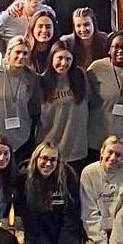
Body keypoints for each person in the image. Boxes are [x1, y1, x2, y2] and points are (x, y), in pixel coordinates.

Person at [16, 141, 82, 244]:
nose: (48, 163)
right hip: (38, 237)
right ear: (36, 158)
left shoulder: (68, 177)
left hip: (65, 235)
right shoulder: (24, 180)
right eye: (44, 158)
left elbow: (72, 216)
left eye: (53, 160)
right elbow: (30, 222)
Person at [0, 36, 39, 167]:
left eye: (25, 53)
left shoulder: (31, 77)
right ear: (8, 53)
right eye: (17, 52)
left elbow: (34, 107)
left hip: (23, 139)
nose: (21, 56)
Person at [38, 40, 91, 174]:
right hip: (50, 152)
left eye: (68, 59)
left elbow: (89, 101)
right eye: (59, 58)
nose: (63, 63)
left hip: (76, 150)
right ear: (51, 58)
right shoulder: (41, 81)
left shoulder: (80, 76)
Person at [86, 32, 123, 159]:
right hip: (98, 139)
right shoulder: (96, 68)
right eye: (116, 46)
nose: (120, 50)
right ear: (109, 50)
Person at [24, 9, 58, 75]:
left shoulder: (59, 50)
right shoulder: (23, 49)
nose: (44, 30)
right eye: (40, 26)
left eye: (48, 27)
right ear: (32, 28)